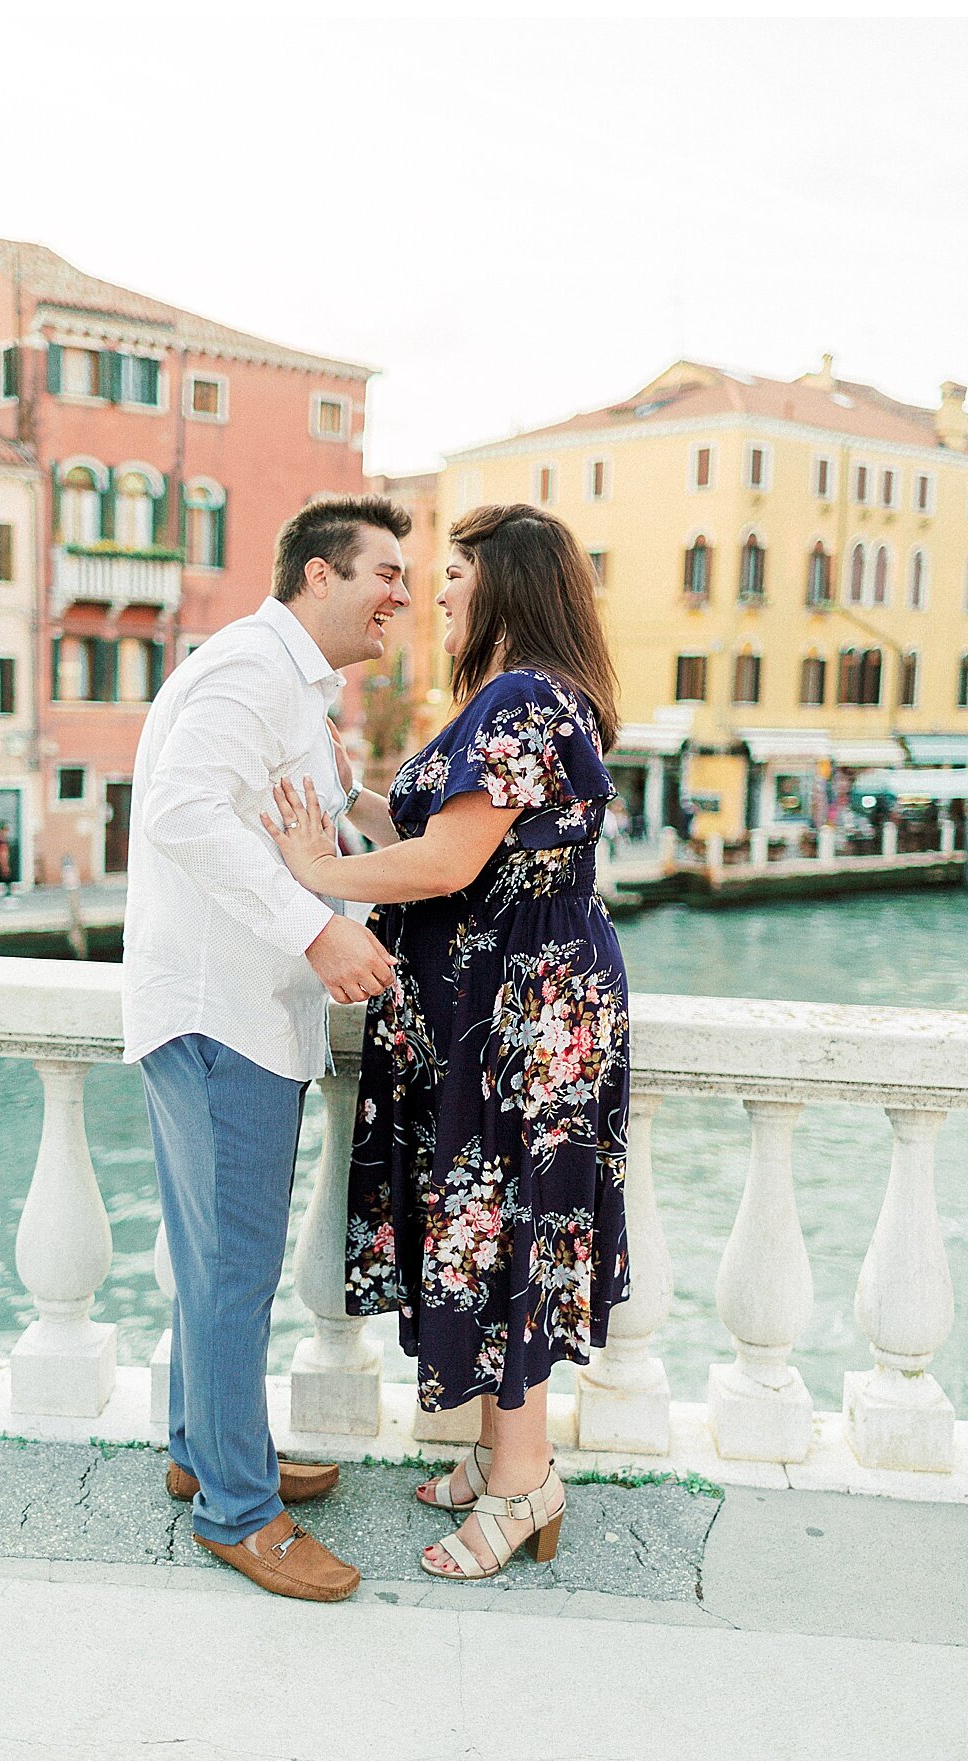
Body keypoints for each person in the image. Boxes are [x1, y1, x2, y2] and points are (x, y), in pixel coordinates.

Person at [264, 503, 631, 1582]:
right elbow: (441, 830)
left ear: (508, 582)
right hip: (525, 1006)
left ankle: (525, 1486)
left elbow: (447, 866)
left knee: (503, 1228)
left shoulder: (521, 699)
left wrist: (314, 873)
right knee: (504, 1220)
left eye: (458, 569)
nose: (438, 588)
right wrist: (345, 799)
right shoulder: (547, 697)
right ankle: (495, 1454)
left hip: (515, 1019)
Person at [122, 494, 411, 1605]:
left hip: (230, 1011)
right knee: (235, 1270)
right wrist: (319, 927)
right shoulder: (251, 673)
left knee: (214, 1264)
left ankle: (207, 1447)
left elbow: (337, 810)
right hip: (219, 1012)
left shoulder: (294, 686)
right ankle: (240, 1511)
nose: (399, 593)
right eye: (385, 571)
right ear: (318, 577)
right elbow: (185, 813)